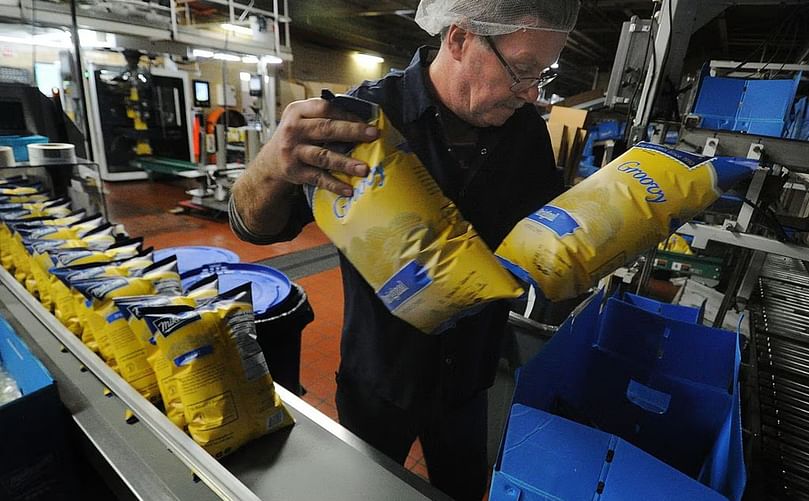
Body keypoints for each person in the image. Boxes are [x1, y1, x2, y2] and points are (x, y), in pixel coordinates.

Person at [229, 1, 580, 499]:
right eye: (521, 70)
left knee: (462, 490)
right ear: (459, 39)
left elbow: (544, 228)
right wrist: (268, 167)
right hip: (380, 383)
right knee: (366, 493)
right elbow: (255, 229)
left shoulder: (525, 131)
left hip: (470, 381)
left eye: (541, 75)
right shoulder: (363, 119)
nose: (530, 92)